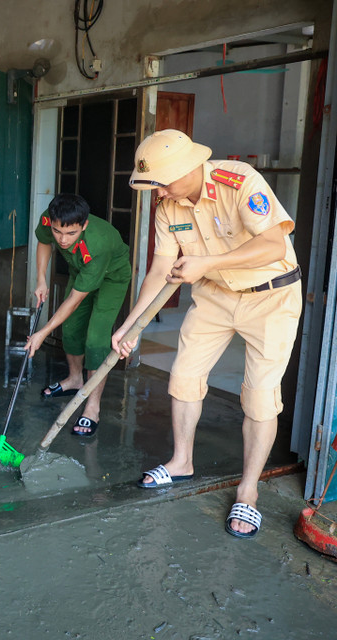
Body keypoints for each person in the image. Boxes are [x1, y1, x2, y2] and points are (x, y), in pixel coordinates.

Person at [112, 129, 301, 539]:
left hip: (271, 296)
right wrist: (130, 325)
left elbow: (273, 245)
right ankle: (182, 461)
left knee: (260, 397)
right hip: (215, 293)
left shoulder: (239, 181)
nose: (158, 194)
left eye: (162, 183)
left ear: (186, 169)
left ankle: (248, 492)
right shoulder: (168, 206)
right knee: (184, 377)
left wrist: (205, 262)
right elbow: (161, 270)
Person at [26, 194, 131, 436]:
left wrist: (42, 332)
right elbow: (44, 242)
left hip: (111, 279)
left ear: (84, 225)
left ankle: (92, 406)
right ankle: (75, 379)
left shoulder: (98, 243)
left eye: (71, 234)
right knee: (71, 329)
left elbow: (74, 301)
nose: (62, 240)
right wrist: (41, 279)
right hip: (80, 271)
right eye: (58, 232)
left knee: (96, 339)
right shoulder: (49, 220)